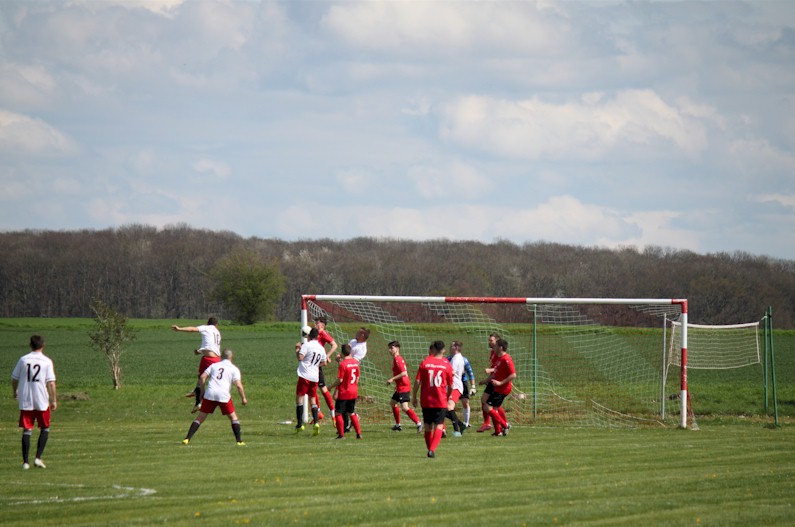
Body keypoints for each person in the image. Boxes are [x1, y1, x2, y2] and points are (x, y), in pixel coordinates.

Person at [182, 348, 248, 445]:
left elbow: (202, 377)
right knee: (233, 417)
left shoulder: (214, 365)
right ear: (232, 357)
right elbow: (238, 385)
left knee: (200, 417)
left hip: (210, 393)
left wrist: (202, 391)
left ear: (221, 356)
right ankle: (239, 441)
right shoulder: (234, 369)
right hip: (223, 396)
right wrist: (243, 398)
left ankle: (187, 439)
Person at [11, 335, 57, 469]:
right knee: (45, 428)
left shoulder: (23, 360)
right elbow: (51, 383)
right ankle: (38, 458)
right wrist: (54, 400)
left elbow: (14, 378)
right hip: (41, 399)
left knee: (27, 429)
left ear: (30, 345)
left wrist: (15, 392)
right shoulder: (47, 361)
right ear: (43, 345)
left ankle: (25, 462)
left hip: (26, 399)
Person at [412, 340, 453, 458]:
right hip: (440, 399)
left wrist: (414, 396)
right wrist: (448, 396)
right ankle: (432, 449)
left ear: (433, 349)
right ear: (443, 350)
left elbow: (417, 381)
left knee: (428, 426)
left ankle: (430, 449)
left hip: (426, 399)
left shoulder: (425, 362)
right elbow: (451, 385)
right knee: (439, 425)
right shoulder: (446, 364)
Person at [172, 317, 221, 413]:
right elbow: (211, 347)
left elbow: (192, 329)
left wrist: (179, 329)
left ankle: (200, 401)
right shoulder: (217, 332)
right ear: (216, 325)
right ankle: (197, 393)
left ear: (208, 323)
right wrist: (199, 351)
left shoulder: (206, 328)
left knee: (202, 379)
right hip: (216, 358)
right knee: (202, 378)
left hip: (209, 360)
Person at [294, 327, 327, 435]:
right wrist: (315, 365)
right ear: (317, 336)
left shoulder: (306, 345)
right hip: (315, 376)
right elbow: (324, 362)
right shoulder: (321, 347)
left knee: (300, 399)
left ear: (309, 336)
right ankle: (316, 422)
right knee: (313, 400)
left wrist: (297, 349)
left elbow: (300, 357)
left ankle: (299, 425)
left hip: (304, 375)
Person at [385, 341, 422, 432]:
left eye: (392, 348)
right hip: (400, 386)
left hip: (404, 386)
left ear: (397, 348)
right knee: (392, 403)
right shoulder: (396, 359)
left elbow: (404, 373)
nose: (390, 350)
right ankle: (398, 425)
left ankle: (419, 423)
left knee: (405, 407)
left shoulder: (398, 359)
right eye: (389, 348)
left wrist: (392, 379)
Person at [327, 344, 362, 439]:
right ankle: (359, 433)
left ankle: (341, 435)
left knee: (338, 413)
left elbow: (340, 380)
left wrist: (331, 386)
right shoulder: (355, 363)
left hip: (344, 392)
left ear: (342, 353)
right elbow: (357, 378)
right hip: (354, 391)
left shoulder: (343, 364)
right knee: (351, 412)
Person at [484, 338, 516, 436]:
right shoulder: (499, 358)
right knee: (494, 408)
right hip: (498, 387)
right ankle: (498, 432)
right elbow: (496, 373)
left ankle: (505, 425)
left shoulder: (507, 359)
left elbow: (513, 375)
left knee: (488, 408)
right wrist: (486, 380)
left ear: (501, 348)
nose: (495, 347)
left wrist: (500, 383)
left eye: (496, 346)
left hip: (503, 389)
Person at [314, 316, 338, 420]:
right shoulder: (315, 333)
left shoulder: (323, 333)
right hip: (313, 363)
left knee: (322, 389)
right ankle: (318, 412)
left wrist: (327, 356)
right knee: (314, 388)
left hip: (316, 364)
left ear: (322, 325)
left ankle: (331, 413)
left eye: (317, 323)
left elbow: (334, 345)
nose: (315, 324)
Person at [477, 332, 500, 432]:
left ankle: (500, 424)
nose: (489, 342)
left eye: (491, 340)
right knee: (488, 402)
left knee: (490, 404)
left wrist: (490, 372)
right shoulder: (492, 352)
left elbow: (499, 368)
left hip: (498, 381)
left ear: (497, 341)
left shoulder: (499, 353)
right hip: (493, 379)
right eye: (489, 340)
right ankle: (491, 424)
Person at [445, 340, 466, 437]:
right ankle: (461, 425)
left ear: (456, 348)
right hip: (454, 385)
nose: (450, 348)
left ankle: (456, 431)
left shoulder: (456, 359)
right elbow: (460, 372)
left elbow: (451, 373)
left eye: (451, 346)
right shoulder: (458, 358)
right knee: (442, 409)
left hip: (455, 386)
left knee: (449, 407)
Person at [460, 347, 476, 428]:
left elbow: (470, 373)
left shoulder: (464, 360)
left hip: (463, 383)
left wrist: (473, 387)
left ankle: (466, 423)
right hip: (452, 383)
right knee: (448, 404)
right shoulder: (449, 359)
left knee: (465, 402)